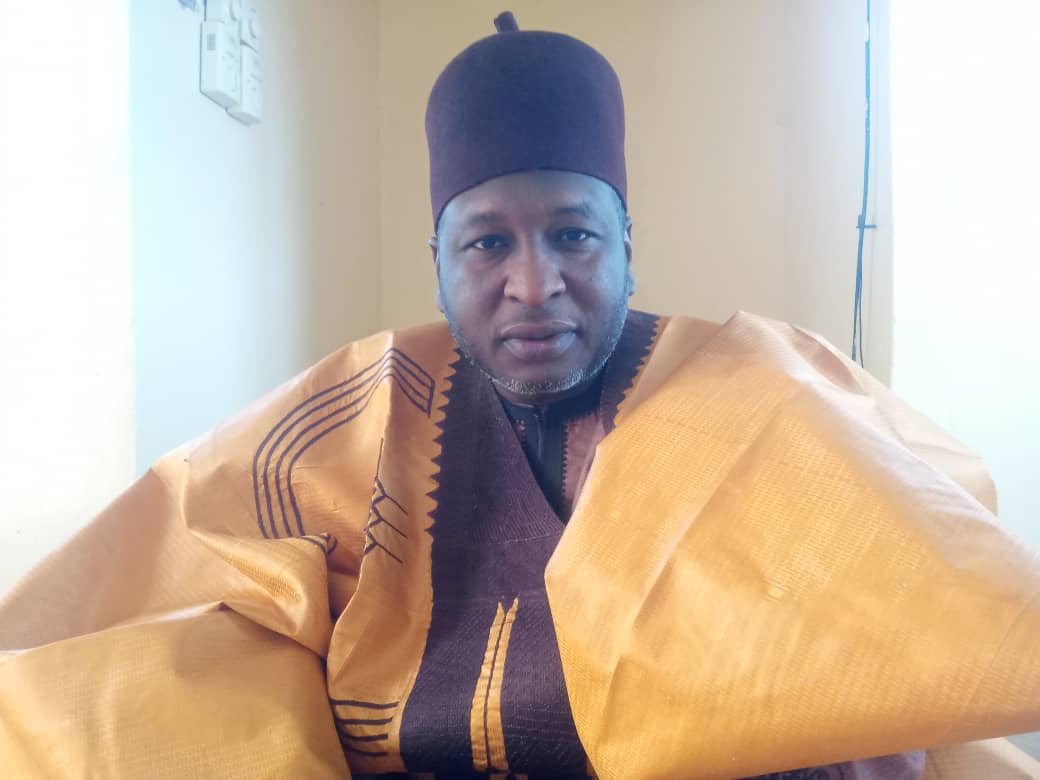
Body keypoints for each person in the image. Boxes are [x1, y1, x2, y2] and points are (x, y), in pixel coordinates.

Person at [1, 11, 1038, 780]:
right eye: (487, 243)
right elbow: (147, 590)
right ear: (439, 264)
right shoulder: (359, 408)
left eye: (572, 234)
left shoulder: (763, 391)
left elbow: (919, 608)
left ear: (626, 244)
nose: (533, 284)